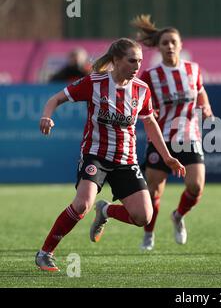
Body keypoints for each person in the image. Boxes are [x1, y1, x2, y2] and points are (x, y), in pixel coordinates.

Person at [35, 38, 186, 271]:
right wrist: (47, 115)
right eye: (132, 60)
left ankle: (106, 210)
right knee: (82, 204)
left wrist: (167, 156)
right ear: (116, 60)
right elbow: (56, 98)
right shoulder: (94, 82)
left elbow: (150, 123)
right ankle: (45, 253)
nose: (137, 66)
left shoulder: (141, 90)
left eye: (140, 61)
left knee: (144, 217)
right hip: (95, 155)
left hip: (126, 160)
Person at [131, 14, 214, 251]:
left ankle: (178, 215)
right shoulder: (149, 76)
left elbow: (200, 92)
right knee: (154, 190)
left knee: (196, 186)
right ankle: (149, 234)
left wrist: (205, 105)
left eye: (173, 42)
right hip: (162, 139)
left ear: (180, 45)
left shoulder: (193, 69)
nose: (169, 46)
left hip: (189, 137)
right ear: (158, 46)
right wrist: (149, 110)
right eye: (164, 42)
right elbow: (139, 102)